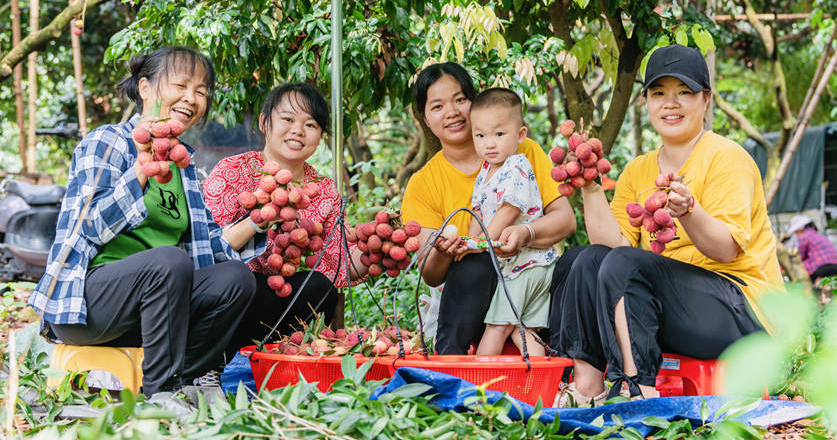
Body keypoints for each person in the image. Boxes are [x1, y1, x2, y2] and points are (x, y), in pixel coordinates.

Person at [554, 44, 784, 406]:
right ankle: (586, 386)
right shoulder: (638, 170)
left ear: (706, 100)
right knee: (582, 260)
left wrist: (689, 211)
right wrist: (590, 186)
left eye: (684, 93)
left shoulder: (727, 158)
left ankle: (637, 389)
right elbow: (608, 248)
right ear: (645, 101)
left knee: (625, 264)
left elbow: (725, 249)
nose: (670, 103)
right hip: (677, 307)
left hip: (743, 311)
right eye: (659, 93)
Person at [28, 46, 257, 397]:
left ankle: (187, 379)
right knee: (168, 259)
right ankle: (161, 393)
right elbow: (88, 226)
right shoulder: (108, 142)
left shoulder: (184, 167)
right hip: (88, 306)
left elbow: (210, 252)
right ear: (145, 88)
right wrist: (139, 170)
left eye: (201, 91)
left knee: (235, 278)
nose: (191, 98)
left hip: (155, 312)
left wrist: (260, 220)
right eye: (180, 85)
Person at [400, 62, 576, 355]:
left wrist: (526, 232)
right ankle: (452, 365)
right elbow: (430, 274)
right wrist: (444, 252)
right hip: (468, 303)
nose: (453, 112)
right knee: (474, 266)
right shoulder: (423, 183)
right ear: (424, 119)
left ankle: (557, 373)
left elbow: (565, 220)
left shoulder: (522, 152)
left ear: (475, 102)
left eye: (460, 100)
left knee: (575, 264)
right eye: (437, 106)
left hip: (527, 276)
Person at [204, 82, 368, 357]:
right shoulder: (232, 171)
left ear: (320, 135)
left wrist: (373, 251)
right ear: (265, 122)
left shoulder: (325, 190)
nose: (298, 131)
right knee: (241, 279)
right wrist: (261, 217)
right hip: (236, 296)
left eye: (311, 124)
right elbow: (208, 252)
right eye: (288, 119)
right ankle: (214, 361)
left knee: (318, 286)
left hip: (283, 305)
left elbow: (336, 265)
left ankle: (282, 358)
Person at [468, 88, 560, 356]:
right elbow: (477, 216)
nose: (489, 143)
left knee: (496, 327)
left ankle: (476, 390)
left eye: (499, 134)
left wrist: (477, 245)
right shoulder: (484, 172)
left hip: (527, 265)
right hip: (517, 267)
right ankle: (542, 381)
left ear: (520, 134)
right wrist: (468, 246)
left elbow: (509, 210)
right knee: (521, 330)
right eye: (480, 135)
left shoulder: (516, 165)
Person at [785, 214, 837, 282]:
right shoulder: (816, 234)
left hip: (823, 265)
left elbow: (801, 256)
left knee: (804, 267)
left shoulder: (803, 237)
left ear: (800, 229)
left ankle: (814, 289)